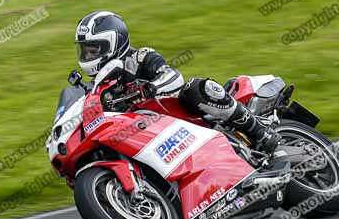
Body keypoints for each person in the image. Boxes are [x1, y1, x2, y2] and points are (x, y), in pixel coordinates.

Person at [74, 11, 279, 154]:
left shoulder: (140, 57)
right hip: (149, 134)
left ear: (114, 42)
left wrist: (151, 88)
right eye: (85, 51)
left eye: (94, 49)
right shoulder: (100, 88)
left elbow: (173, 77)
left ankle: (261, 134)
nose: (89, 55)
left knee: (197, 89)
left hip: (181, 115)